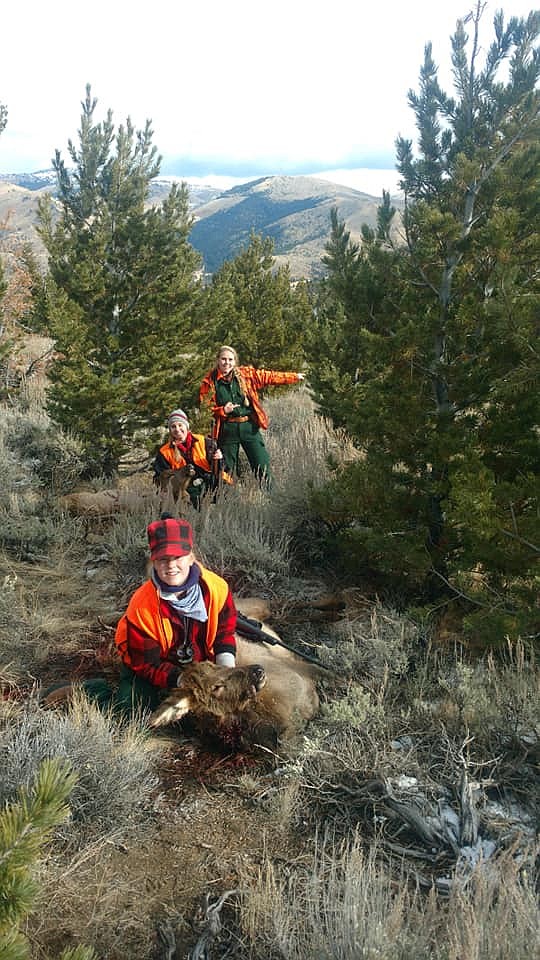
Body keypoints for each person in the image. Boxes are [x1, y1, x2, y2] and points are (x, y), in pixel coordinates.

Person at [114, 516, 237, 714]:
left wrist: (227, 672)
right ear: (153, 561)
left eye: (177, 557)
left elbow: (224, 634)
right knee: (131, 708)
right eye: (163, 559)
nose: (171, 565)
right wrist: (183, 681)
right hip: (151, 668)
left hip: (201, 668)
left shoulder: (217, 589)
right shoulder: (141, 606)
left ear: (190, 557)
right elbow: (146, 664)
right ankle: (91, 691)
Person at [199, 345, 305, 484]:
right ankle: (227, 501)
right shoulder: (210, 381)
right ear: (218, 360)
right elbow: (205, 408)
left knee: (262, 465)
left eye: (230, 359)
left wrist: (294, 377)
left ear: (235, 361)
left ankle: (270, 498)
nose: (227, 363)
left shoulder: (245, 375)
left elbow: (269, 376)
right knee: (226, 470)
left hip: (249, 426)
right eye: (223, 359)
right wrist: (222, 410)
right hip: (227, 429)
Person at [153, 408, 232, 508]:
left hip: (209, 481)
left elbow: (224, 468)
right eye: (173, 427)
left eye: (180, 425)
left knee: (227, 492)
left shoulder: (204, 442)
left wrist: (219, 459)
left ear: (186, 426)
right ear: (170, 430)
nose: (177, 429)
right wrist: (179, 475)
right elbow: (159, 479)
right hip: (186, 488)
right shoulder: (164, 452)